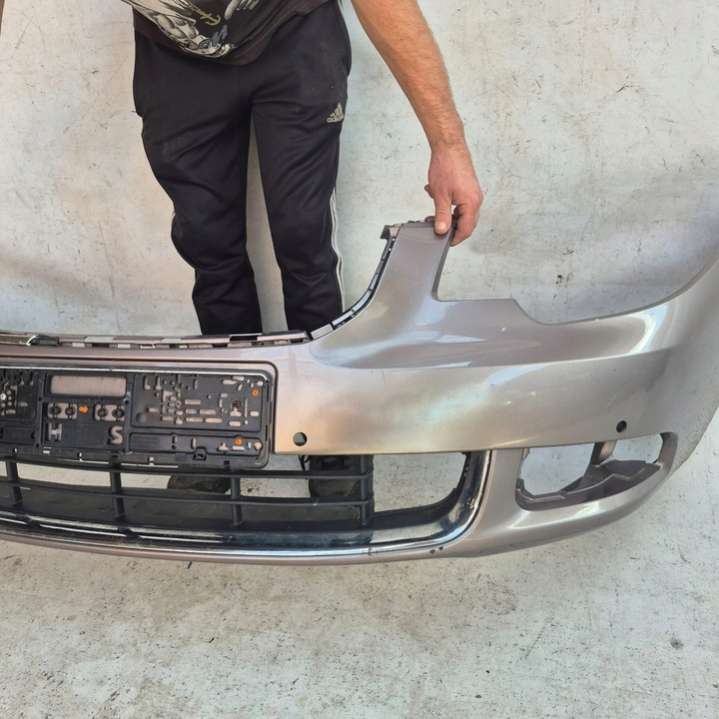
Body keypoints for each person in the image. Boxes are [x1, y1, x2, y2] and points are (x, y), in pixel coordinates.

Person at [125, 0, 484, 495]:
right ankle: (227, 422)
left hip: (294, 34)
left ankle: (325, 423)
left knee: (302, 236)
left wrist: (448, 146)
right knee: (206, 240)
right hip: (175, 56)